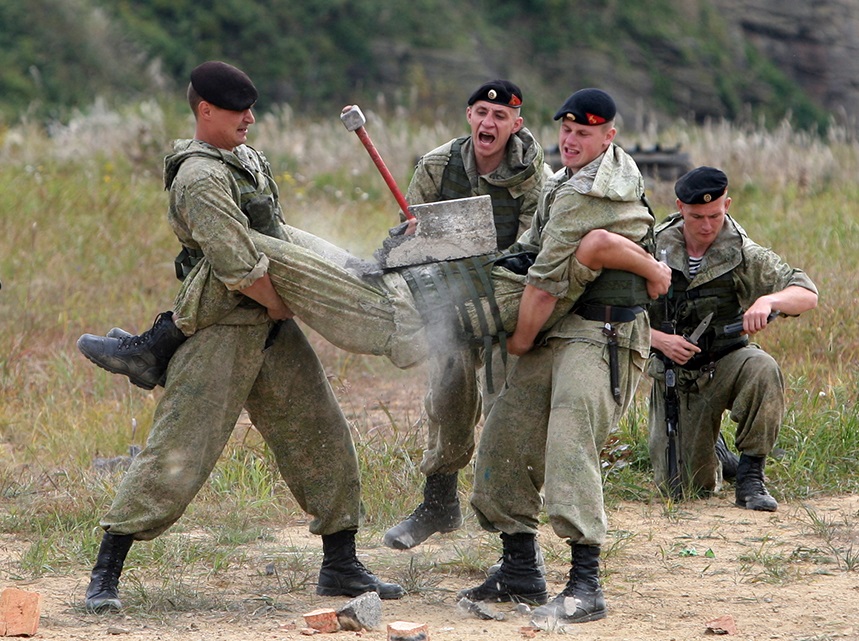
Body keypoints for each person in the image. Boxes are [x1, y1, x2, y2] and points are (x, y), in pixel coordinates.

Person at [80, 61, 404, 613]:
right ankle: (106, 570)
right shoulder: (199, 177)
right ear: (206, 110)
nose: (250, 119)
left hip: (267, 323)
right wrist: (283, 306)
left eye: (251, 109)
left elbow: (276, 234)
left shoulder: (246, 160)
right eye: (239, 111)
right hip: (223, 329)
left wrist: (340, 272)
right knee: (177, 451)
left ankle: (341, 563)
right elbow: (239, 267)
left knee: (320, 431)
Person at [458, 88, 658, 627]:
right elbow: (533, 247)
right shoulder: (567, 180)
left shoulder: (590, 192)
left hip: (602, 333)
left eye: (584, 133)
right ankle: (520, 565)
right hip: (563, 325)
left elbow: (545, 286)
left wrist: (518, 340)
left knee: (569, 440)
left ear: (608, 136)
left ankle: (586, 583)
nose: (570, 140)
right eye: (566, 130)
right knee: (505, 430)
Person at [383, 79, 553, 551]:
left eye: (500, 117)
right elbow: (408, 239)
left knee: (508, 406)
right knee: (448, 388)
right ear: (469, 116)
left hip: (509, 300)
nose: (488, 123)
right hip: (451, 299)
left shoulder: (535, 177)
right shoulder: (437, 165)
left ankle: (513, 533)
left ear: (515, 125)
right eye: (481, 113)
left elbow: (533, 248)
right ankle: (439, 502)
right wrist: (410, 239)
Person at [646, 166, 818, 511]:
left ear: (728, 204)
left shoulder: (742, 251)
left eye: (715, 214)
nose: (708, 226)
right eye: (697, 216)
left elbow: (806, 292)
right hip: (676, 376)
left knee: (762, 368)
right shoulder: (652, 245)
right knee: (685, 490)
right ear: (680, 208)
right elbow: (618, 312)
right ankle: (719, 455)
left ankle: (751, 476)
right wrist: (658, 340)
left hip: (727, 361)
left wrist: (769, 301)